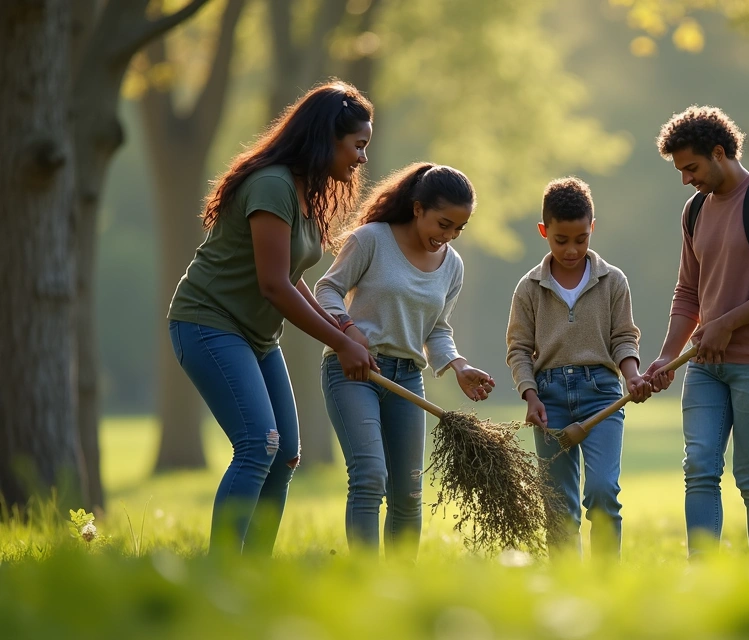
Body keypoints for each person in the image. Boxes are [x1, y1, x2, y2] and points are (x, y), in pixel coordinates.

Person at [167, 81, 377, 555]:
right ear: (327, 138)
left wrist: (343, 327)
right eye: (358, 145)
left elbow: (290, 272)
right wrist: (341, 344)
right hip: (208, 323)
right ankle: (222, 571)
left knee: (284, 455)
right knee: (258, 444)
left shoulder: (306, 190)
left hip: (256, 338)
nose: (362, 158)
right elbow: (274, 285)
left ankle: (255, 571)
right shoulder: (272, 184)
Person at [645, 106, 749, 557]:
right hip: (705, 367)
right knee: (699, 467)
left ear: (720, 153)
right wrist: (665, 356)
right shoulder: (695, 210)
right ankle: (701, 573)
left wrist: (725, 324)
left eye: (691, 168)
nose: (686, 180)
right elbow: (688, 291)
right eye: (680, 171)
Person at [316, 163, 495, 556]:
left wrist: (458, 366)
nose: (448, 237)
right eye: (443, 224)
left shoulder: (452, 265)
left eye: (458, 230)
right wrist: (347, 329)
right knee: (368, 477)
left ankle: (397, 587)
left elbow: (436, 328)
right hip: (355, 371)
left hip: (407, 378)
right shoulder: (370, 241)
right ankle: (365, 580)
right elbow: (326, 290)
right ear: (418, 208)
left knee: (409, 490)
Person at [506, 177, 650, 558]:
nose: (572, 249)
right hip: (548, 400)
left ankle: (606, 583)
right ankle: (566, 582)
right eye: (561, 240)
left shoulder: (612, 281)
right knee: (557, 503)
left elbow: (624, 336)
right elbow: (518, 348)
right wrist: (530, 394)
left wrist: (632, 374)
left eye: (581, 239)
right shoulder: (529, 288)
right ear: (544, 232)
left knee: (603, 491)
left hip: (601, 395)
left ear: (592, 228)